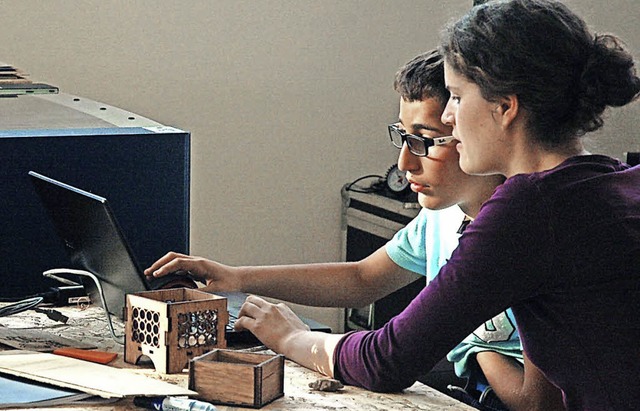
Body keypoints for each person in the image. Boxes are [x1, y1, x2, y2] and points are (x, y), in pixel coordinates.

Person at [203, 1, 639, 410]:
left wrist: (293, 338)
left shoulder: (530, 208)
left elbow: (386, 360)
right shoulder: (613, 184)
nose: (449, 117)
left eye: (456, 96)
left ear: (505, 106)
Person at [145, 50, 545, 410]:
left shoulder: (524, 231)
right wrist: (234, 277)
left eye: (426, 141)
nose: (405, 165)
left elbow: (538, 401)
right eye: (402, 138)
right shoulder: (441, 217)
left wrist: (470, 345)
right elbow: (362, 278)